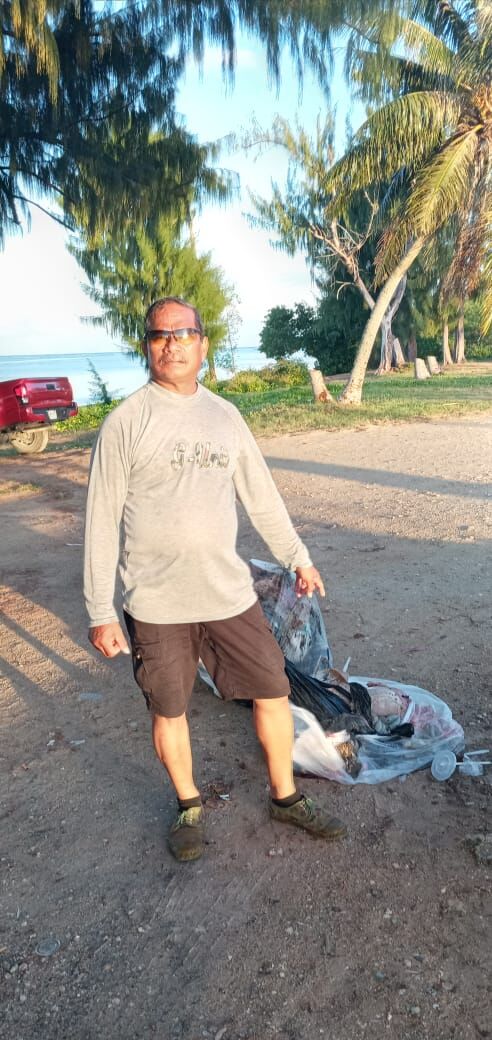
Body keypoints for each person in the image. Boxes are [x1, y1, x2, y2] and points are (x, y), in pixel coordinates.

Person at [84, 296, 346, 862]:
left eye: (183, 333)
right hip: (156, 602)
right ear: (148, 347)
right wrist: (100, 610)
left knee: (273, 691)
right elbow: (100, 519)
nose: (172, 343)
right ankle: (188, 806)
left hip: (227, 594)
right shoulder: (125, 422)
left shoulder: (226, 416)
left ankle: (285, 797)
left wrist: (298, 555)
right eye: (159, 335)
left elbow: (262, 497)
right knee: (169, 708)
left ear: (203, 344)